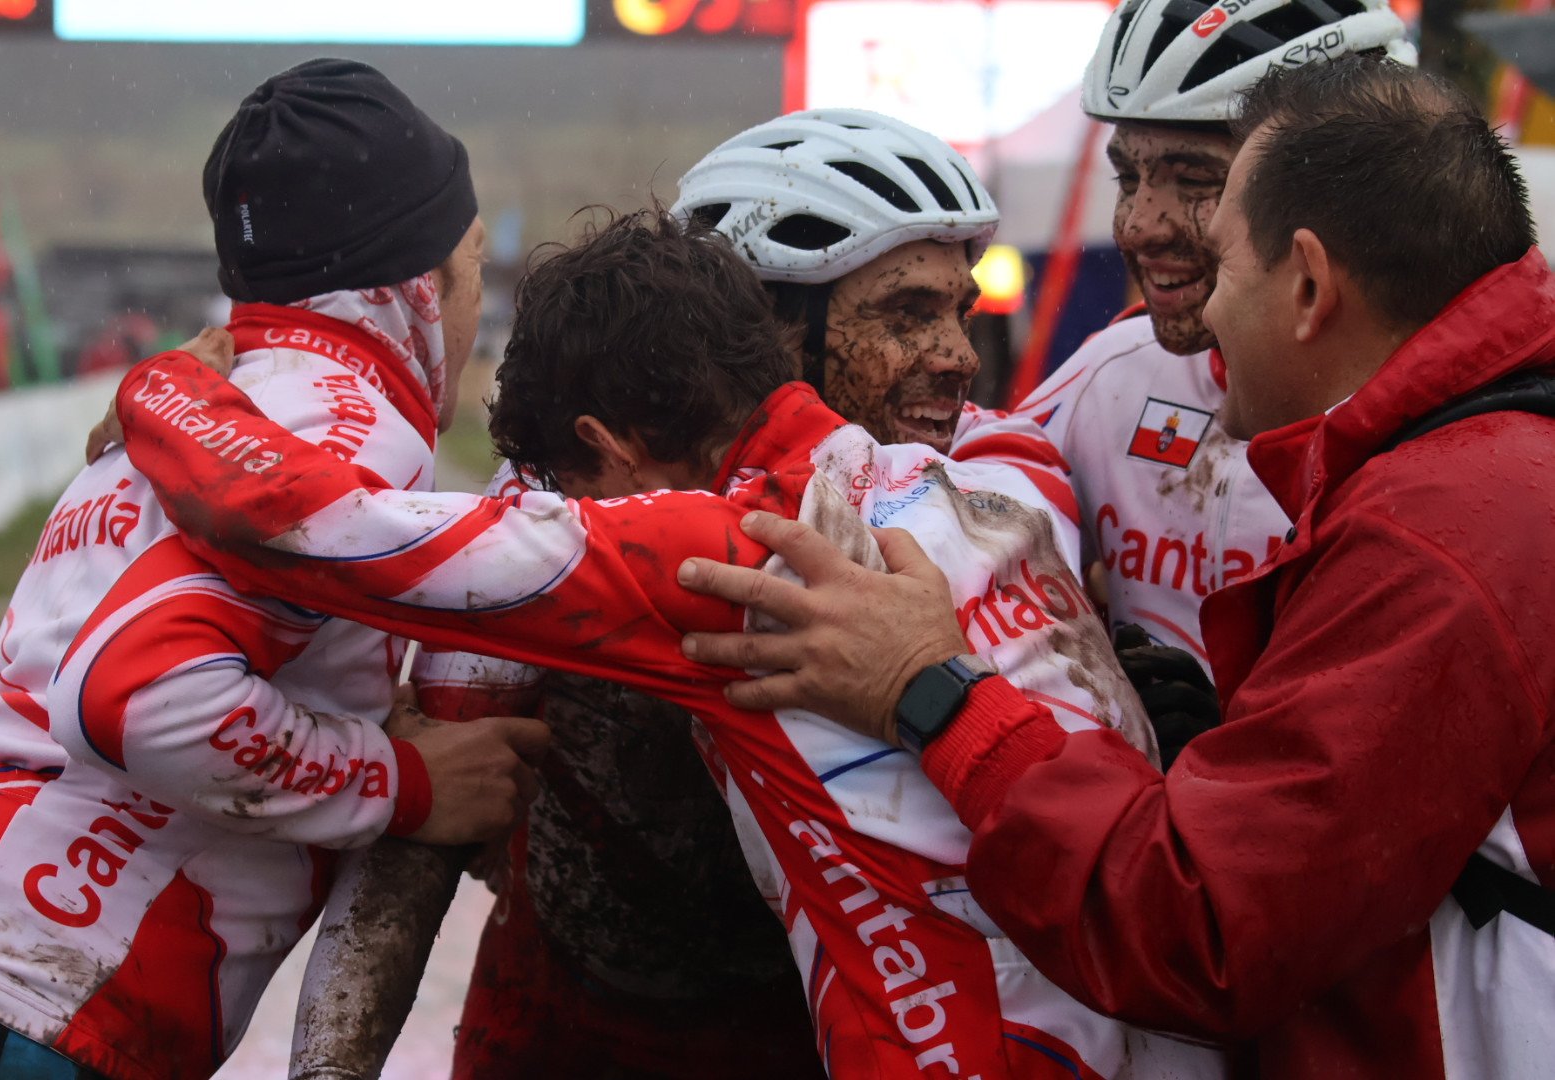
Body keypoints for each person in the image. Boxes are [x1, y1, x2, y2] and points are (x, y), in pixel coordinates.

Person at [107, 206, 1222, 1079]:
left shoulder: (715, 560)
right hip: (1173, 1024)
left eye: (573, 490)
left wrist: (164, 387)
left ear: (608, 449)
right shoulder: (992, 484)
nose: (573, 514)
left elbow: (310, 528)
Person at [676, 55, 1555, 1079]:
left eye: (1222, 264)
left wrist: (935, 693)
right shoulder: (1475, 472)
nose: (1194, 320)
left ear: (1310, 284)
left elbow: (1206, 926)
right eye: (910, 314)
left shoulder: (1443, 526)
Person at [0, 59, 545, 1080]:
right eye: (475, 263)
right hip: (35, 993)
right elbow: (138, 696)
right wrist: (403, 783)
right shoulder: (352, 428)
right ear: (421, 282)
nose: (477, 303)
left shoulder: (208, 391)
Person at [435, 108, 1036, 1080]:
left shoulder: (990, 508)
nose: (960, 354)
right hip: (562, 1021)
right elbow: (424, 834)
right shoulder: (567, 496)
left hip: (806, 1030)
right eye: (906, 313)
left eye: (960, 312)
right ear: (771, 333)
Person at [1011, 0, 1410, 702]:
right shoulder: (1118, 375)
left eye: (1195, 180)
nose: (1137, 226)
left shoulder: (1456, 427)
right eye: (1128, 177)